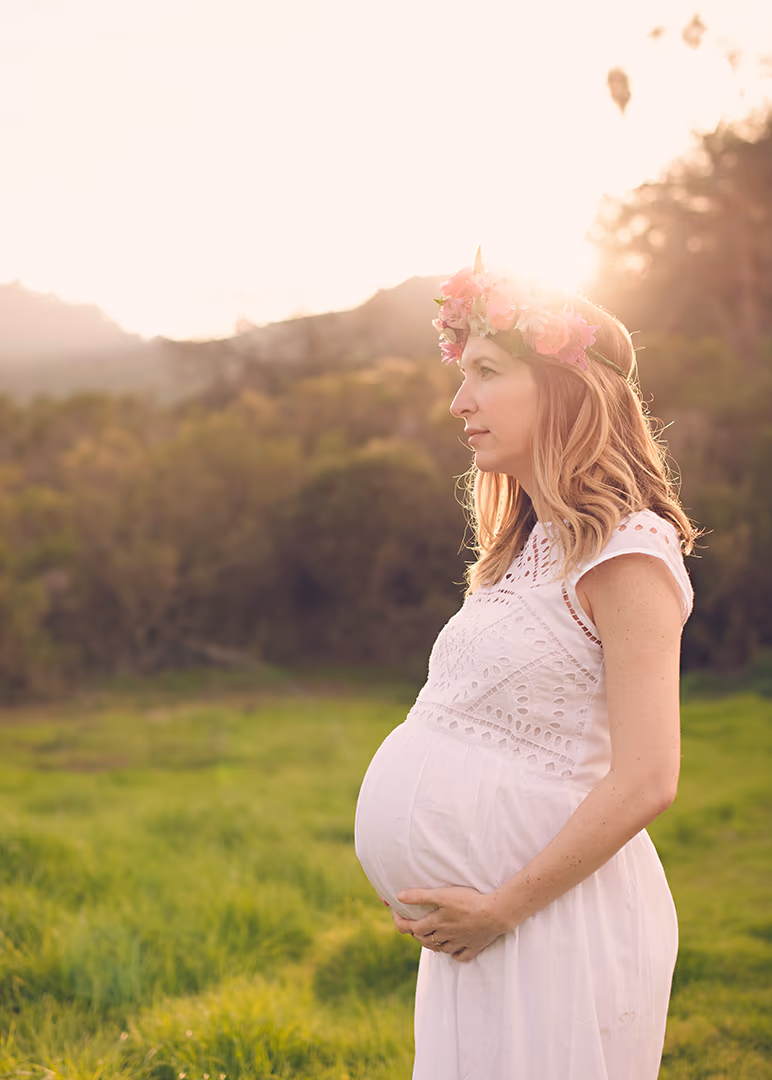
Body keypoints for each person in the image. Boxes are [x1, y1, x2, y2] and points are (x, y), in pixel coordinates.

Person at [354, 251, 697, 1080]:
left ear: (563, 390)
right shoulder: (527, 545)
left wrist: (502, 907)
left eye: (484, 373)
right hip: (483, 931)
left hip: (548, 924)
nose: (457, 400)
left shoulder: (628, 551)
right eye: (460, 372)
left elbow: (649, 777)